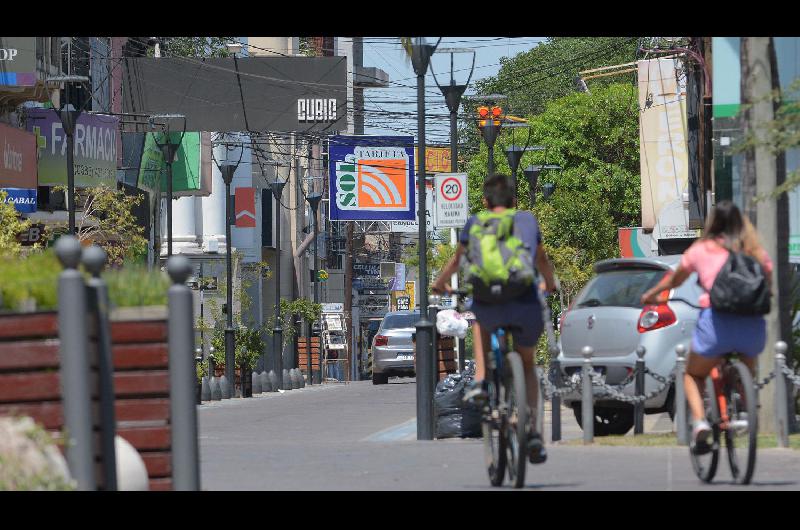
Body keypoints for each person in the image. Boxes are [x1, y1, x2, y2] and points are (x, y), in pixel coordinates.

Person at [432, 173, 557, 464]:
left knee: (481, 320)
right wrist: (548, 284)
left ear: (486, 202)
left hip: (489, 300)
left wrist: (440, 284)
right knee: (527, 364)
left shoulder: (476, 223)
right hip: (524, 300)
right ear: (514, 200)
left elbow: (457, 260)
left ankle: (479, 381)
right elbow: (541, 260)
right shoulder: (526, 220)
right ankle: (533, 432)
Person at [640, 200, 773, 451]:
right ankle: (746, 405)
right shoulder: (754, 250)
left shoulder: (702, 250)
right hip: (752, 327)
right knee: (747, 365)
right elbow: (768, 280)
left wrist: (652, 295)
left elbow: (675, 279)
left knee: (693, 373)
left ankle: (700, 422)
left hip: (716, 325)